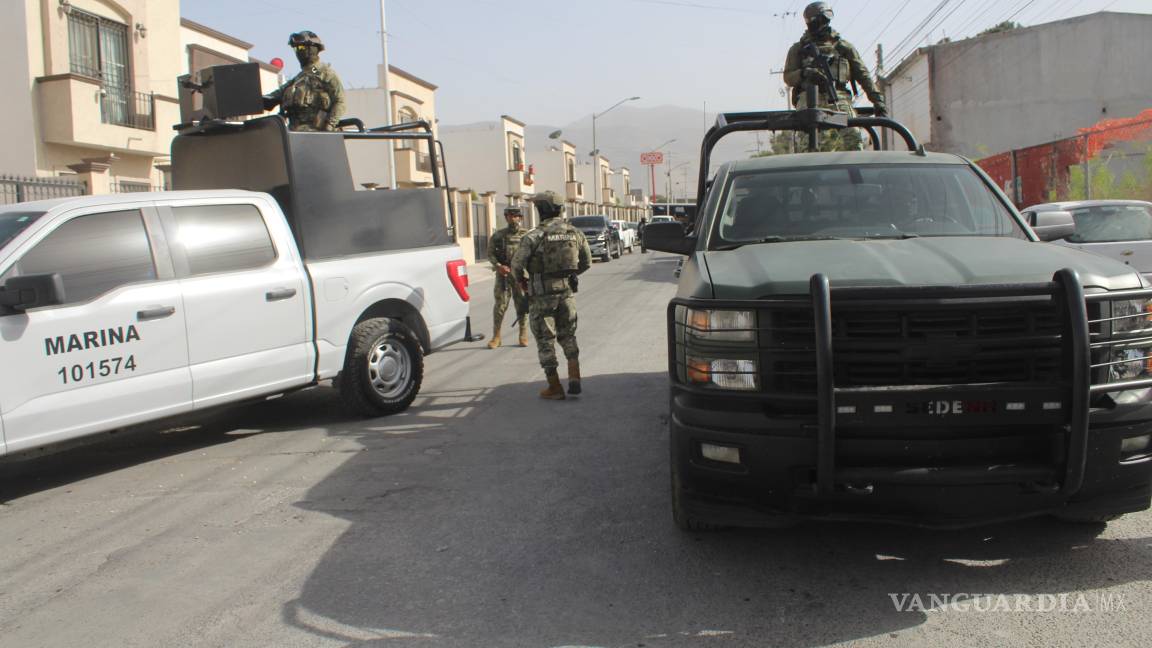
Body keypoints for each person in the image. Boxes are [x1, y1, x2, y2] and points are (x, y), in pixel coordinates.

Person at [511, 191, 592, 400]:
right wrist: (568, 276)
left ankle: (555, 387)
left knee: (545, 341)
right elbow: (586, 263)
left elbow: (516, 266)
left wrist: (522, 282)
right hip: (566, 294)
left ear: (541, 210)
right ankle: (575, 376)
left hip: (541, 295)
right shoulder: (575, 233)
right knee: (568, 335)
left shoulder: (533, 236)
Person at [783, 3, 887, 151]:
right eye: (819, 21)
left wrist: (877, 100)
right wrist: (805, 73)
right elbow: (788, 76)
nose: (822, 25)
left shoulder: (843, 47)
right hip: (810, 98)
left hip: (838, 98)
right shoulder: (798, 49)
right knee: (807, 143)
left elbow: (863, 75)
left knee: (854, 139)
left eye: (824, 21)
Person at [263, 31, 346, 132]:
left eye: (301, 48)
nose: (298, 51)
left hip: (317, 136)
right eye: (296, 48)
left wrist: (329, 126)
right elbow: (272, 97)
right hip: (295, 136)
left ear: (312, 49)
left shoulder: (325, 74)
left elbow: (340, 101)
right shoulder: (297, 80)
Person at [486, 206, 530, 348]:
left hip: (520, 275)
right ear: (506, 218)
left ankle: (523, 335)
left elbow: (533, 255)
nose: (512, 219)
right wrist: (498, 266)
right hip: (503, 276)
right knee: (500, 306)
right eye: (509, 216)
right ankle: (496, 337)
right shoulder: (498, 236)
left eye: (515, 216)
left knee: (522, 305)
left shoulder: (527, 235)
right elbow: (490, 254)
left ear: (520, 218)